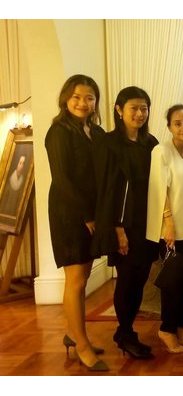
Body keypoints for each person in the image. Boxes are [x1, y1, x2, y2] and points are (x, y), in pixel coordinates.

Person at [45, 74, 108, 371]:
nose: (83, 103)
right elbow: (62, 180)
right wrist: (87, 216)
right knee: (77, 280)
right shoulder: (59, 131)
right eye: (77, 97)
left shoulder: (94, 130)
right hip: (69, 213)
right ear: (66, 99)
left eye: (90, 97)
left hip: (91, 212)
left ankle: (75, 334)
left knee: (82, 279)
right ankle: (81, 345)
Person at [92, 86, 158, 360]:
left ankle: (126, 330)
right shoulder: (108, 143)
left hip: (147, 222)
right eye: (134, 108)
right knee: (127, 280)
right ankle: (125, 332)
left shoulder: (151, 142)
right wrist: (117, 230)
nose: (140, 113)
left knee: (141, 278)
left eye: (144, 108)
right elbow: (106, 189)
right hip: (123, 224)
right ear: (119, 110)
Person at [147, 104, 183, 354]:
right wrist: (167, 224)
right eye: (178, 123)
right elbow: (160, 190)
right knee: (173, 282)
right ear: (169, 126)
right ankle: (167, 329)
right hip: (173, 229)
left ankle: (181, 326)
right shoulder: (161, 151)